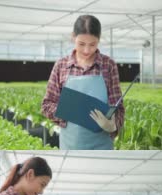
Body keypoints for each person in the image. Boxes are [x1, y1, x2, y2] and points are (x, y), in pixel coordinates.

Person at [42, 15, 125, 150]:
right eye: (81, 44)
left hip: (102, 146)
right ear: (73, 37)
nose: (87, 50)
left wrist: (113, 125)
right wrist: (70, 112)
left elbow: (119, 108)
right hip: (70, 145)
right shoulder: (61, 66)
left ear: (99, 39)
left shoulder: (108, 65)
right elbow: (46, 105)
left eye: (92, 44)